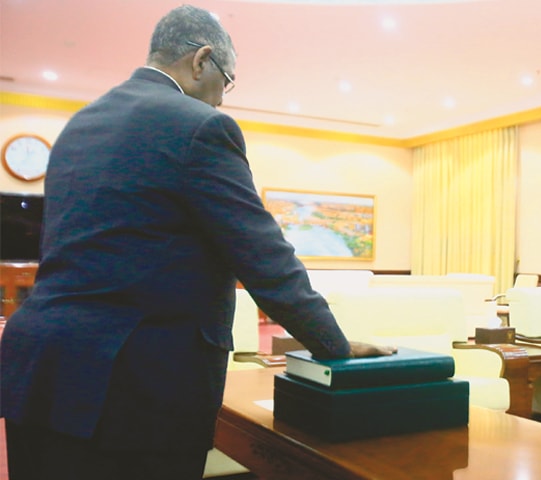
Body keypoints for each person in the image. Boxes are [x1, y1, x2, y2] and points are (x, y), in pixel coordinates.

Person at [0, 5, 394, 479]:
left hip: (37, 371)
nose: (221, 101)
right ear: (202, 60)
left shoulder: (79, 126)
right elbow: (263, 256)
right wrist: (334, 345)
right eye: (225, 82)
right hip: (130, 390)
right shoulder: (198, 126)